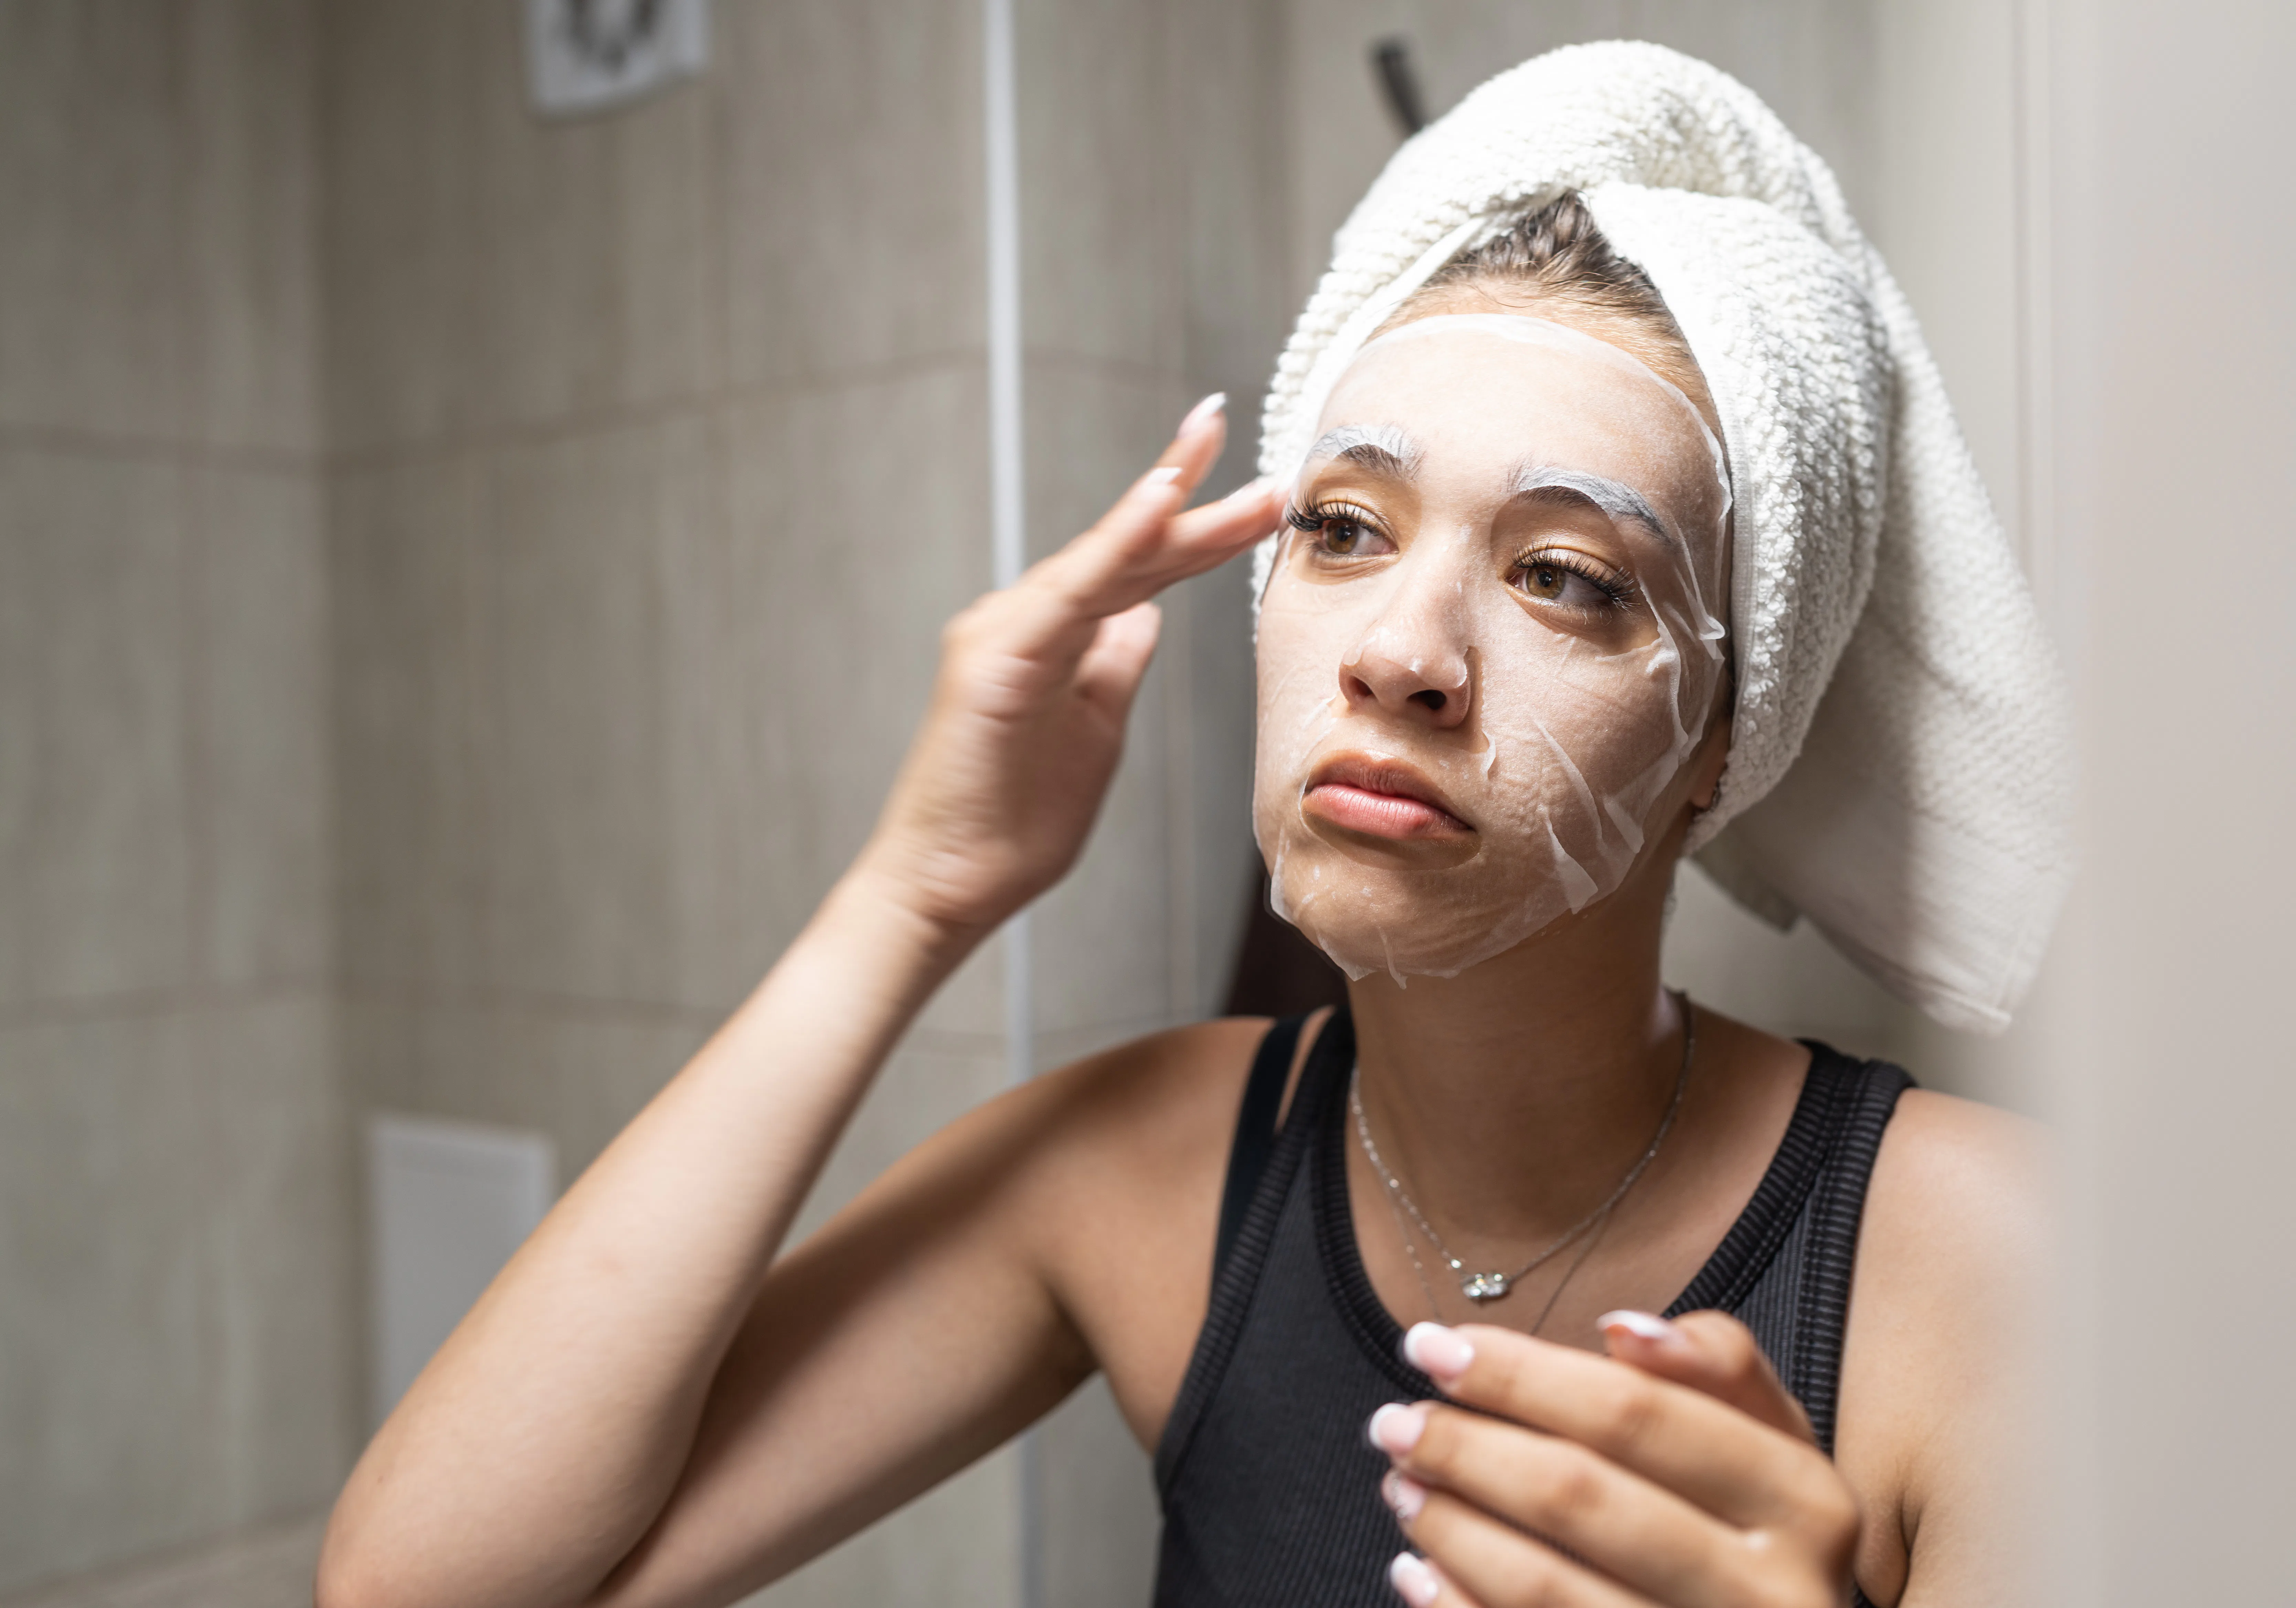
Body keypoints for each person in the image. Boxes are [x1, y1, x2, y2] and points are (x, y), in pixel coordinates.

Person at [320, 43, 2068, 1608]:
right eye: (1347, 529)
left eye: (1563, 574)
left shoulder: (1994, 1270)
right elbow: (422, 1589)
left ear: (1724, 737)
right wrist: (912, 897)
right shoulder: (1142, 1175)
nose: (1399, 652)